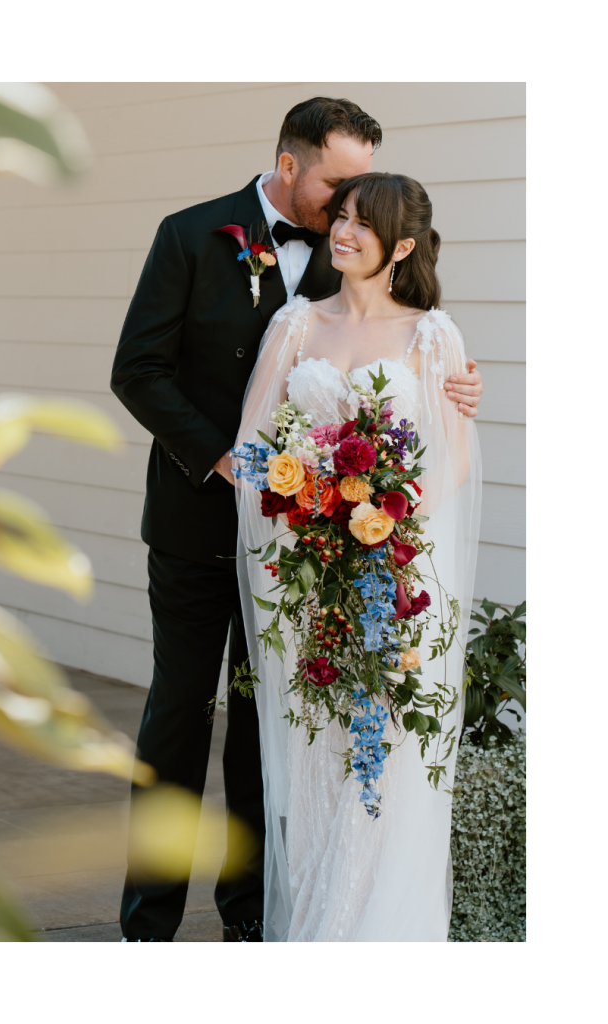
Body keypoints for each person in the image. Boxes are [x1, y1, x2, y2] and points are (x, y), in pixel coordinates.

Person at [110, 98, 484, 942]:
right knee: (177, 718)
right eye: (337, 184)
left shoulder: (344, 251)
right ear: (290, 165)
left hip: (318, 560)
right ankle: (147, 925)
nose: (346, 203)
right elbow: (137, 370)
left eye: (358, 193)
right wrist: (234, 467)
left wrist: (454, 391)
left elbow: (398, 354)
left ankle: (252, 913)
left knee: (269, 726)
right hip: (198, 526)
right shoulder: (191, 235)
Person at [236, 171, 482, 941]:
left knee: (391, 748)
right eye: (338, 217)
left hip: (398, 580)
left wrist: (391, 529)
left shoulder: (432, 334)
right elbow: (252, 446)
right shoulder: (294, 325)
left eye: (360, 225)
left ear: (399, 246)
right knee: (321, 742)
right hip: (314, 573)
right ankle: (316, 920)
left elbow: (453, 457)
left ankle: (382, 931)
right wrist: (311, 515)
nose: (341, 232)